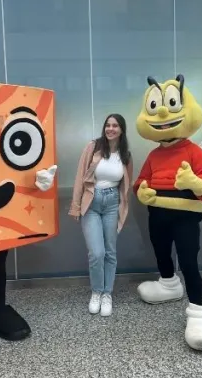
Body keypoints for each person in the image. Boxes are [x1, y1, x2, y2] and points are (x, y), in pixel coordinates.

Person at [133, 74, 202, 352]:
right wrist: (141, 190)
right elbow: (140, 180)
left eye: (172, 104)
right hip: (157, 215)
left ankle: (199, 312)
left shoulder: (194, 151)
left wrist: (195, 183)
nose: (163, 112)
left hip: (186, 215)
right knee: (161, 251)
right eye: (156, 106)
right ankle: (168, 284)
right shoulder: (153, 155)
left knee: (189, 261)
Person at [69, 114, 133, 317]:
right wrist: (76, 205)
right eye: (108, 125)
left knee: (110, 252)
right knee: (96, 253)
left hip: (113, 203)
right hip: (92, 201)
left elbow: (126, 185)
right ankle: (96, 291)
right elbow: (80, 176)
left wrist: (124, 207)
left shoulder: (126, 155)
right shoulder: (93, 147)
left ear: (121, 130)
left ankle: (107, 293)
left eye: (115, 126)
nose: (111, 129)